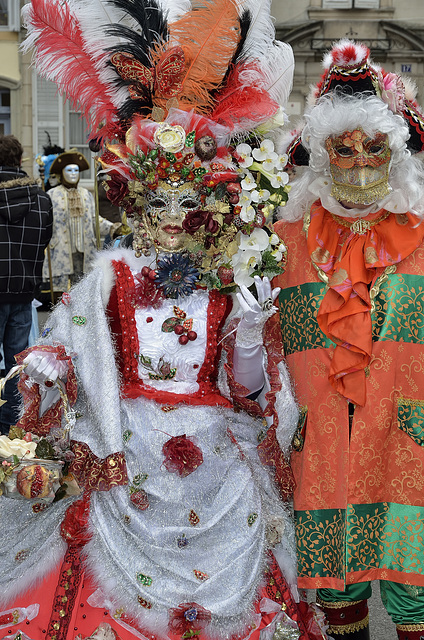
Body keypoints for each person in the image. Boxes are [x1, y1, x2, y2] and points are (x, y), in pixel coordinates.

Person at [0, 1, 330, 639]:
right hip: (127, 431)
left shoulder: (228, 282)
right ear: (136, 201)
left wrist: (256, 328)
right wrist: (49, 362)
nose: (173, 215)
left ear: (209, 205)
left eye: (187, 202)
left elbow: (249, 385)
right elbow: (74, 340)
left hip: (212, 440)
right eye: (159, 201)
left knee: (241, 523)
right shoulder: (112, 276)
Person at [274, 39, 424, 639]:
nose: (360, 164)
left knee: (413, 583)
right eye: (343, 149)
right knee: (338, 589)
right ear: (320, 155)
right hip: (327, 440)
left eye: (374, 148)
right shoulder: (283, 244)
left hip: (406, 437)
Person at [0, 134, 53, 434]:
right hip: (23, 287)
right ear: (20, 161)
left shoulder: (40, 196)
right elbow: (44, 239)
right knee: (16, 363)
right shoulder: (40, 198)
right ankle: (11, 425)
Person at [45, 150, 115, 293]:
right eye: (69, 170)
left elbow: (95, 221)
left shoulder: (85, 194)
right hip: (61, 251)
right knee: (61, 294)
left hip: (84, 251)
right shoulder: (52, 195)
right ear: (62, 173)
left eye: (76, 170)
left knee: (82, 292)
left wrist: (113, 228)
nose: (73, 174)